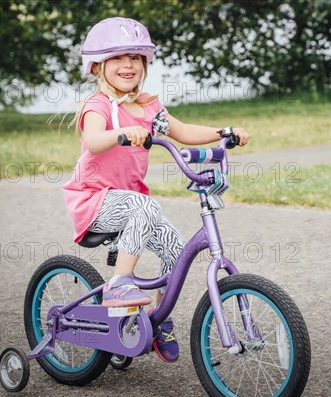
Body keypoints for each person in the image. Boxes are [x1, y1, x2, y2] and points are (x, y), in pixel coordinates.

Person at [61, 17, 249, 363]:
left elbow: (183, 131)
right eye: (117, 57)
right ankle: (120, 282)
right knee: (145, 205)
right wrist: (122, 134)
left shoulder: (149, 108)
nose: (128, 64)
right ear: (98, 65)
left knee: (177, 251)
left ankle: (158, 321)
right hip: (94, 200)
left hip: (132, 205)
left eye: (135, 57)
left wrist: (223, 132)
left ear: (145, 63)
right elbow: (93, 138)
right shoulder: (98, 107)